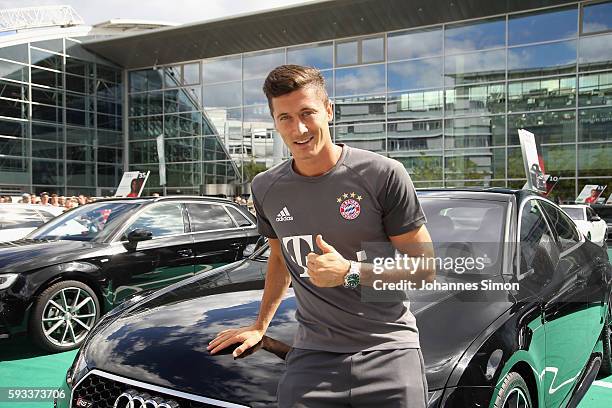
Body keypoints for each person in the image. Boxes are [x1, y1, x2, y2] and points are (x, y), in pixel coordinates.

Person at [208, 65, 435, 407]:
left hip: (388, 348)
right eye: (284, 117)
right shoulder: (265, 187)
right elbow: (280, 258)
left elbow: (425, 268)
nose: (298, 128)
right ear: (274, 121)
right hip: (314, 355)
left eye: (307, 113)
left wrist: (350, 273)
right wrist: (259, 325)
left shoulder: (383, 174)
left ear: (328, 110)